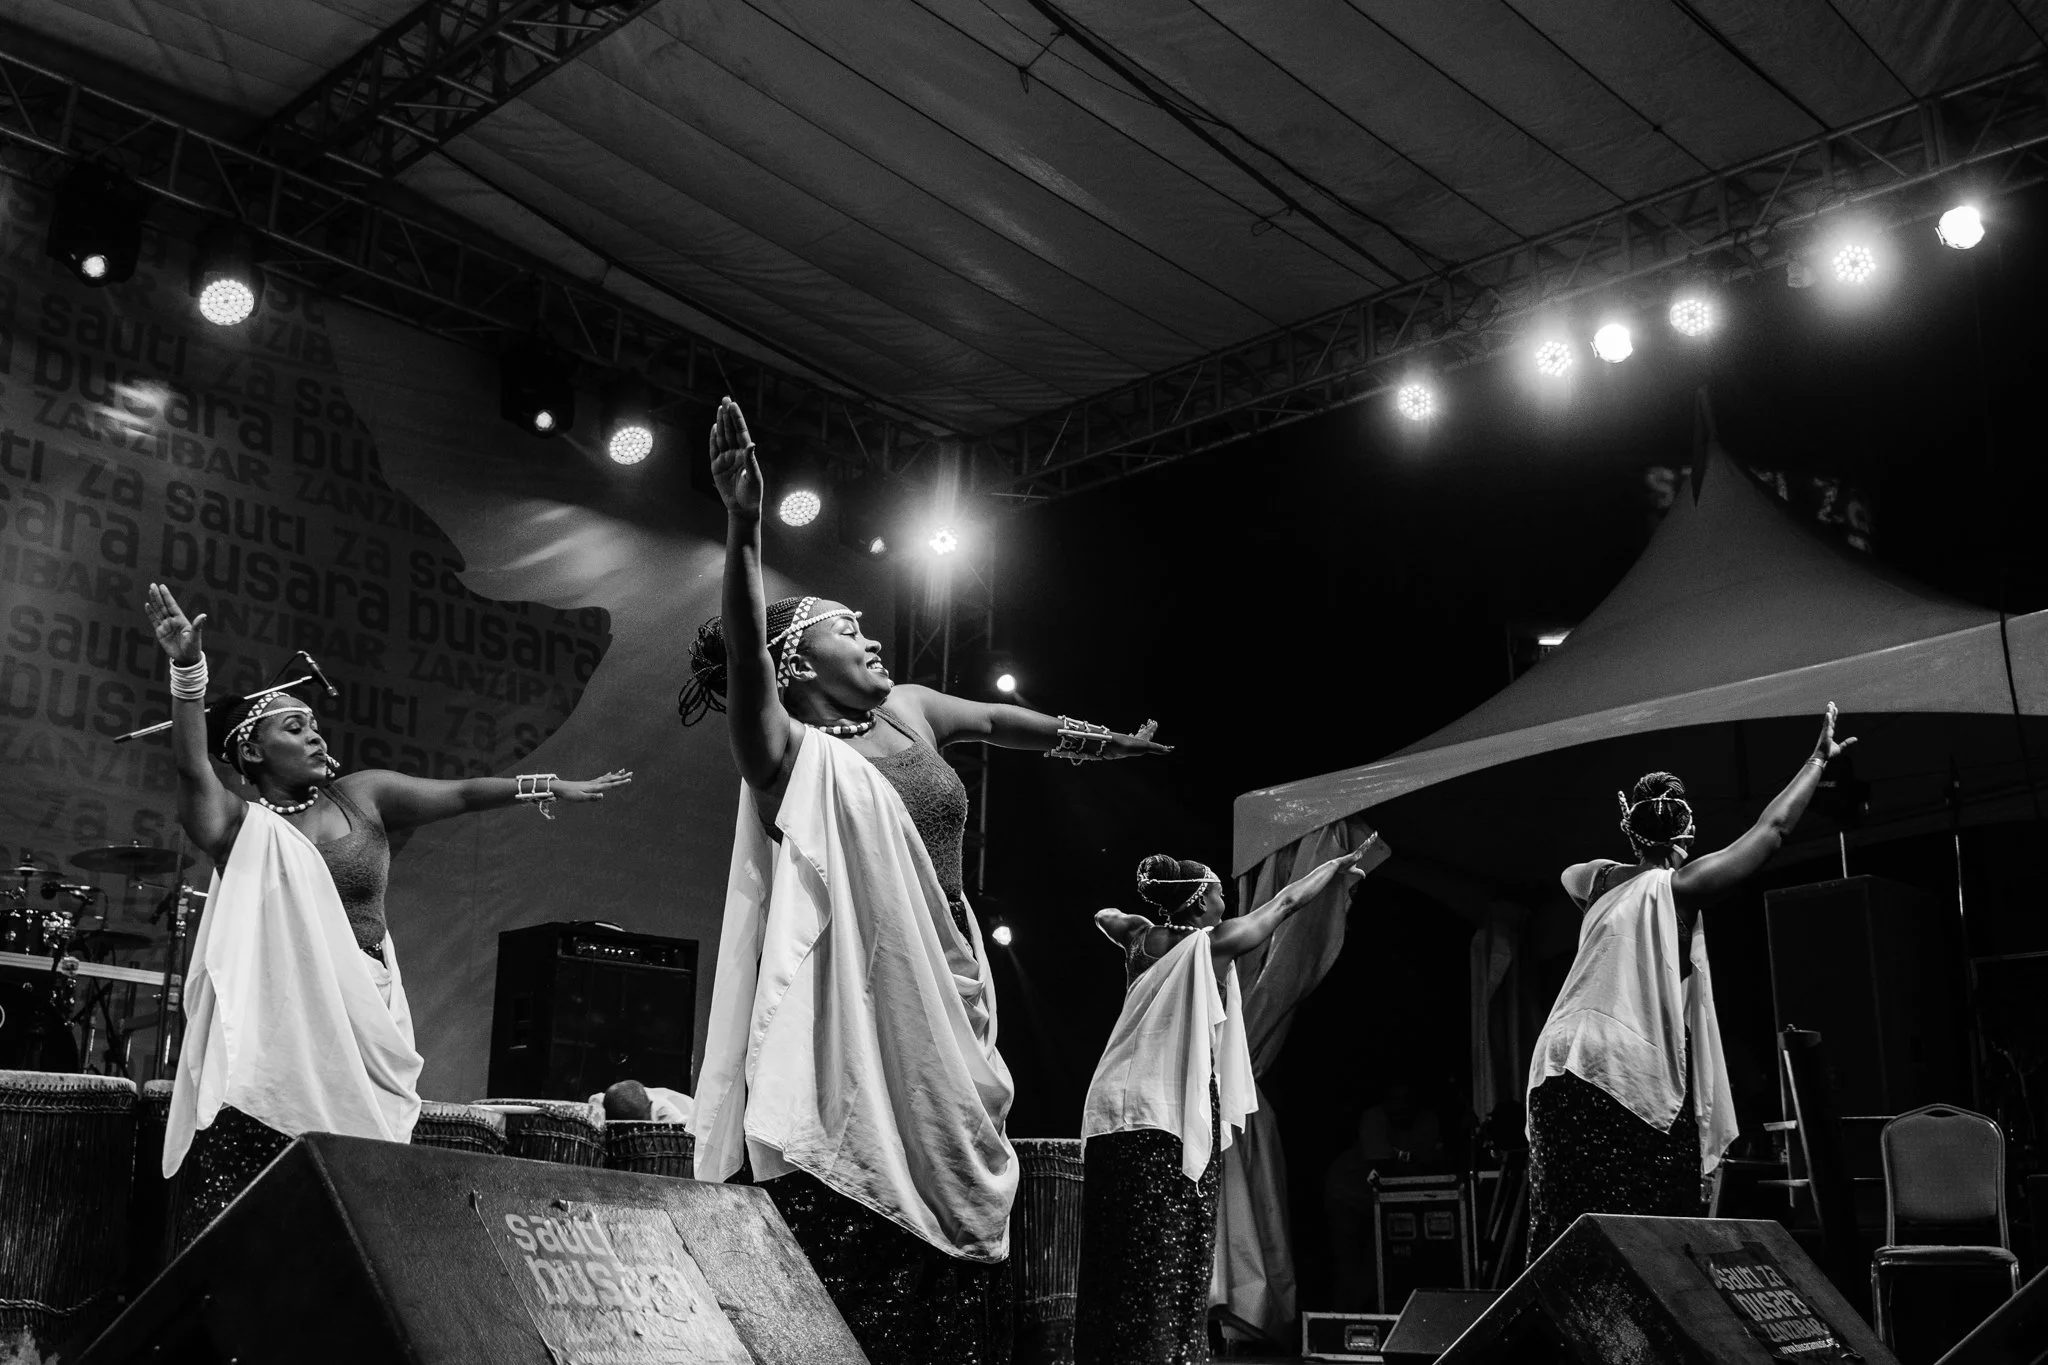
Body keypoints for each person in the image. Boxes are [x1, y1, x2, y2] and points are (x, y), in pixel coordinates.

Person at [684, 396, 1169, 1365]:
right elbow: (742, 663)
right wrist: (743, 527)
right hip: (866, 1004)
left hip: (947, 991)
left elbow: (1003, 724)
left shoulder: (909, 711)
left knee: (960, 1211)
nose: (868, 636)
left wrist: (1103, 741)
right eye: (841, 627)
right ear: (795, 661)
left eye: (865, 624)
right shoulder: (790, 758)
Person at [142, 583, 630, 1234]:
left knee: (348, 1210)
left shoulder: (360, 796)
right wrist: (187, 671)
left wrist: (544, 785)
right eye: (294, 727)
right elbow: (193, 769)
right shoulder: (243, 826)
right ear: (252, 752)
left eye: (315, 724)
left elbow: (458, 792)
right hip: (282, 1032)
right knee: (254, 1209)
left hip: (366, 1015)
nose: (315, 736)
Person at [1523, 703, 1858, 1262]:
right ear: (1689, 830)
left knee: (1564, 1231)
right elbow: (1772, 831)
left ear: (1632, 830)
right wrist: (1817, 761)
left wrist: (1633, 845)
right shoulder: (1680, 887)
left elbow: (1571, 874)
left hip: (1557, 1059)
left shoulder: (1600, 882)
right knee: (1648, 1231)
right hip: (1621, 1064)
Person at [1077, 844, 1374, 1365]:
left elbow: (1107, 916)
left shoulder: (1139, 939)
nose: (1224, 900)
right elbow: (1283, 905)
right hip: (1167, 1110)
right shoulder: (1211, 945)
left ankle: (1116, 1350)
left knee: (1120, 1244)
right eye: (1216, 893)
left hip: (1110, 1109)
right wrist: (1332, 869)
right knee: (1174, 1241)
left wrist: (1137, 913)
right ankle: (1168, 1353)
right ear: (1197, 904)